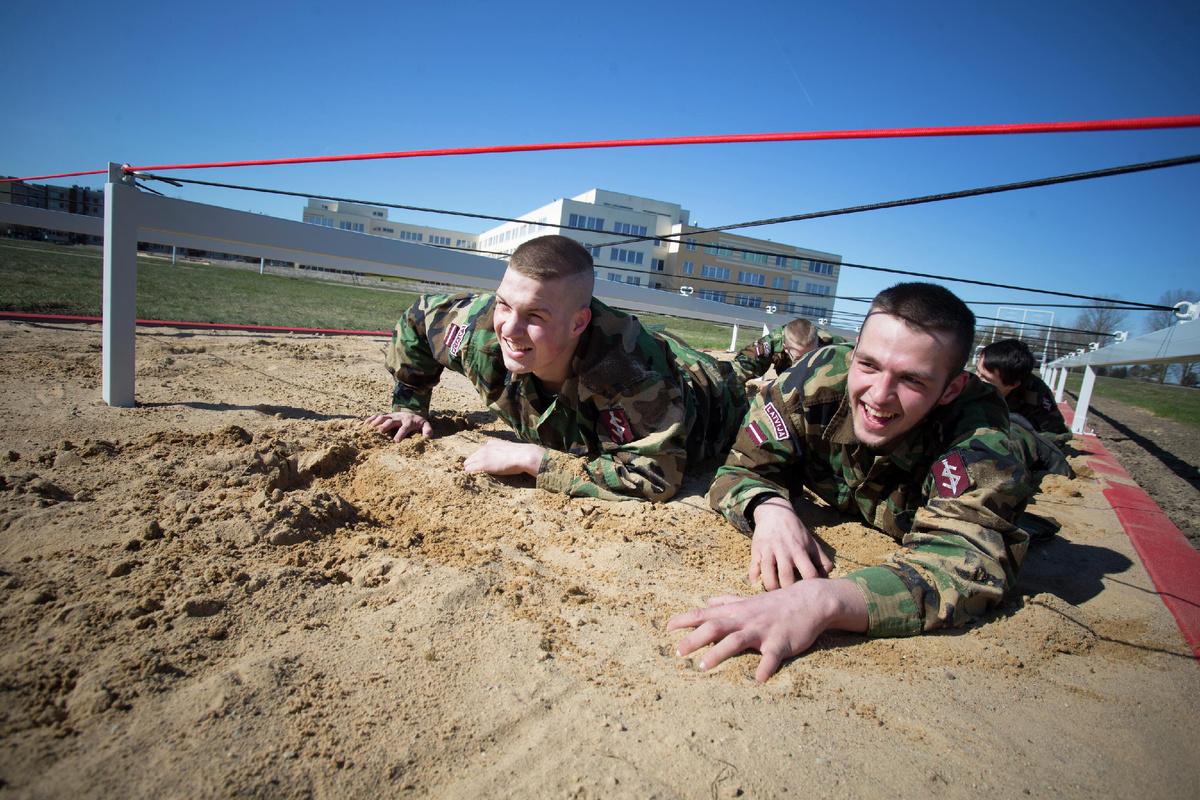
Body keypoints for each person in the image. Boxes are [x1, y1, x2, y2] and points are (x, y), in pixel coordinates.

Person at [667, 282, 1032, 682]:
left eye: (912, 380)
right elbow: (741, 468)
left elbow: (965, 563)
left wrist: (825, 601)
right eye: (869, 365)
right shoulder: (813, 381)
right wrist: (768, 507)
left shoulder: (978, 440)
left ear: (951, 389)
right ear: (854, 350)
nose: (879, 395)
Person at [365, 235, 749, 502]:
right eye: (504, 304)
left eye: (536, 314)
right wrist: (411, 405)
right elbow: (418, 318)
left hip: (709, 397)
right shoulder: (478, 327)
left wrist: (534, 459)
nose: (509, 329)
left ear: (578, 323)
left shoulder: (631, 376)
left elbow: (653, 476)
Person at [976, 339, 1072, 447]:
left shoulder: (1036, 395)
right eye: (977, 370)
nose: (976, 378)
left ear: (1012, 385)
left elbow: (1057, 436)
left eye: (985, 378)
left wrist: (1016, 437)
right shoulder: (966, 380)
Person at [731, 317, 850, 382]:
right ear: (785, 349)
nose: (806, 363)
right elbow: (743, 364)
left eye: (812, 356)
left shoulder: (836, 346)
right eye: (798, 359)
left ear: (819, 345)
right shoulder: (774, 342)